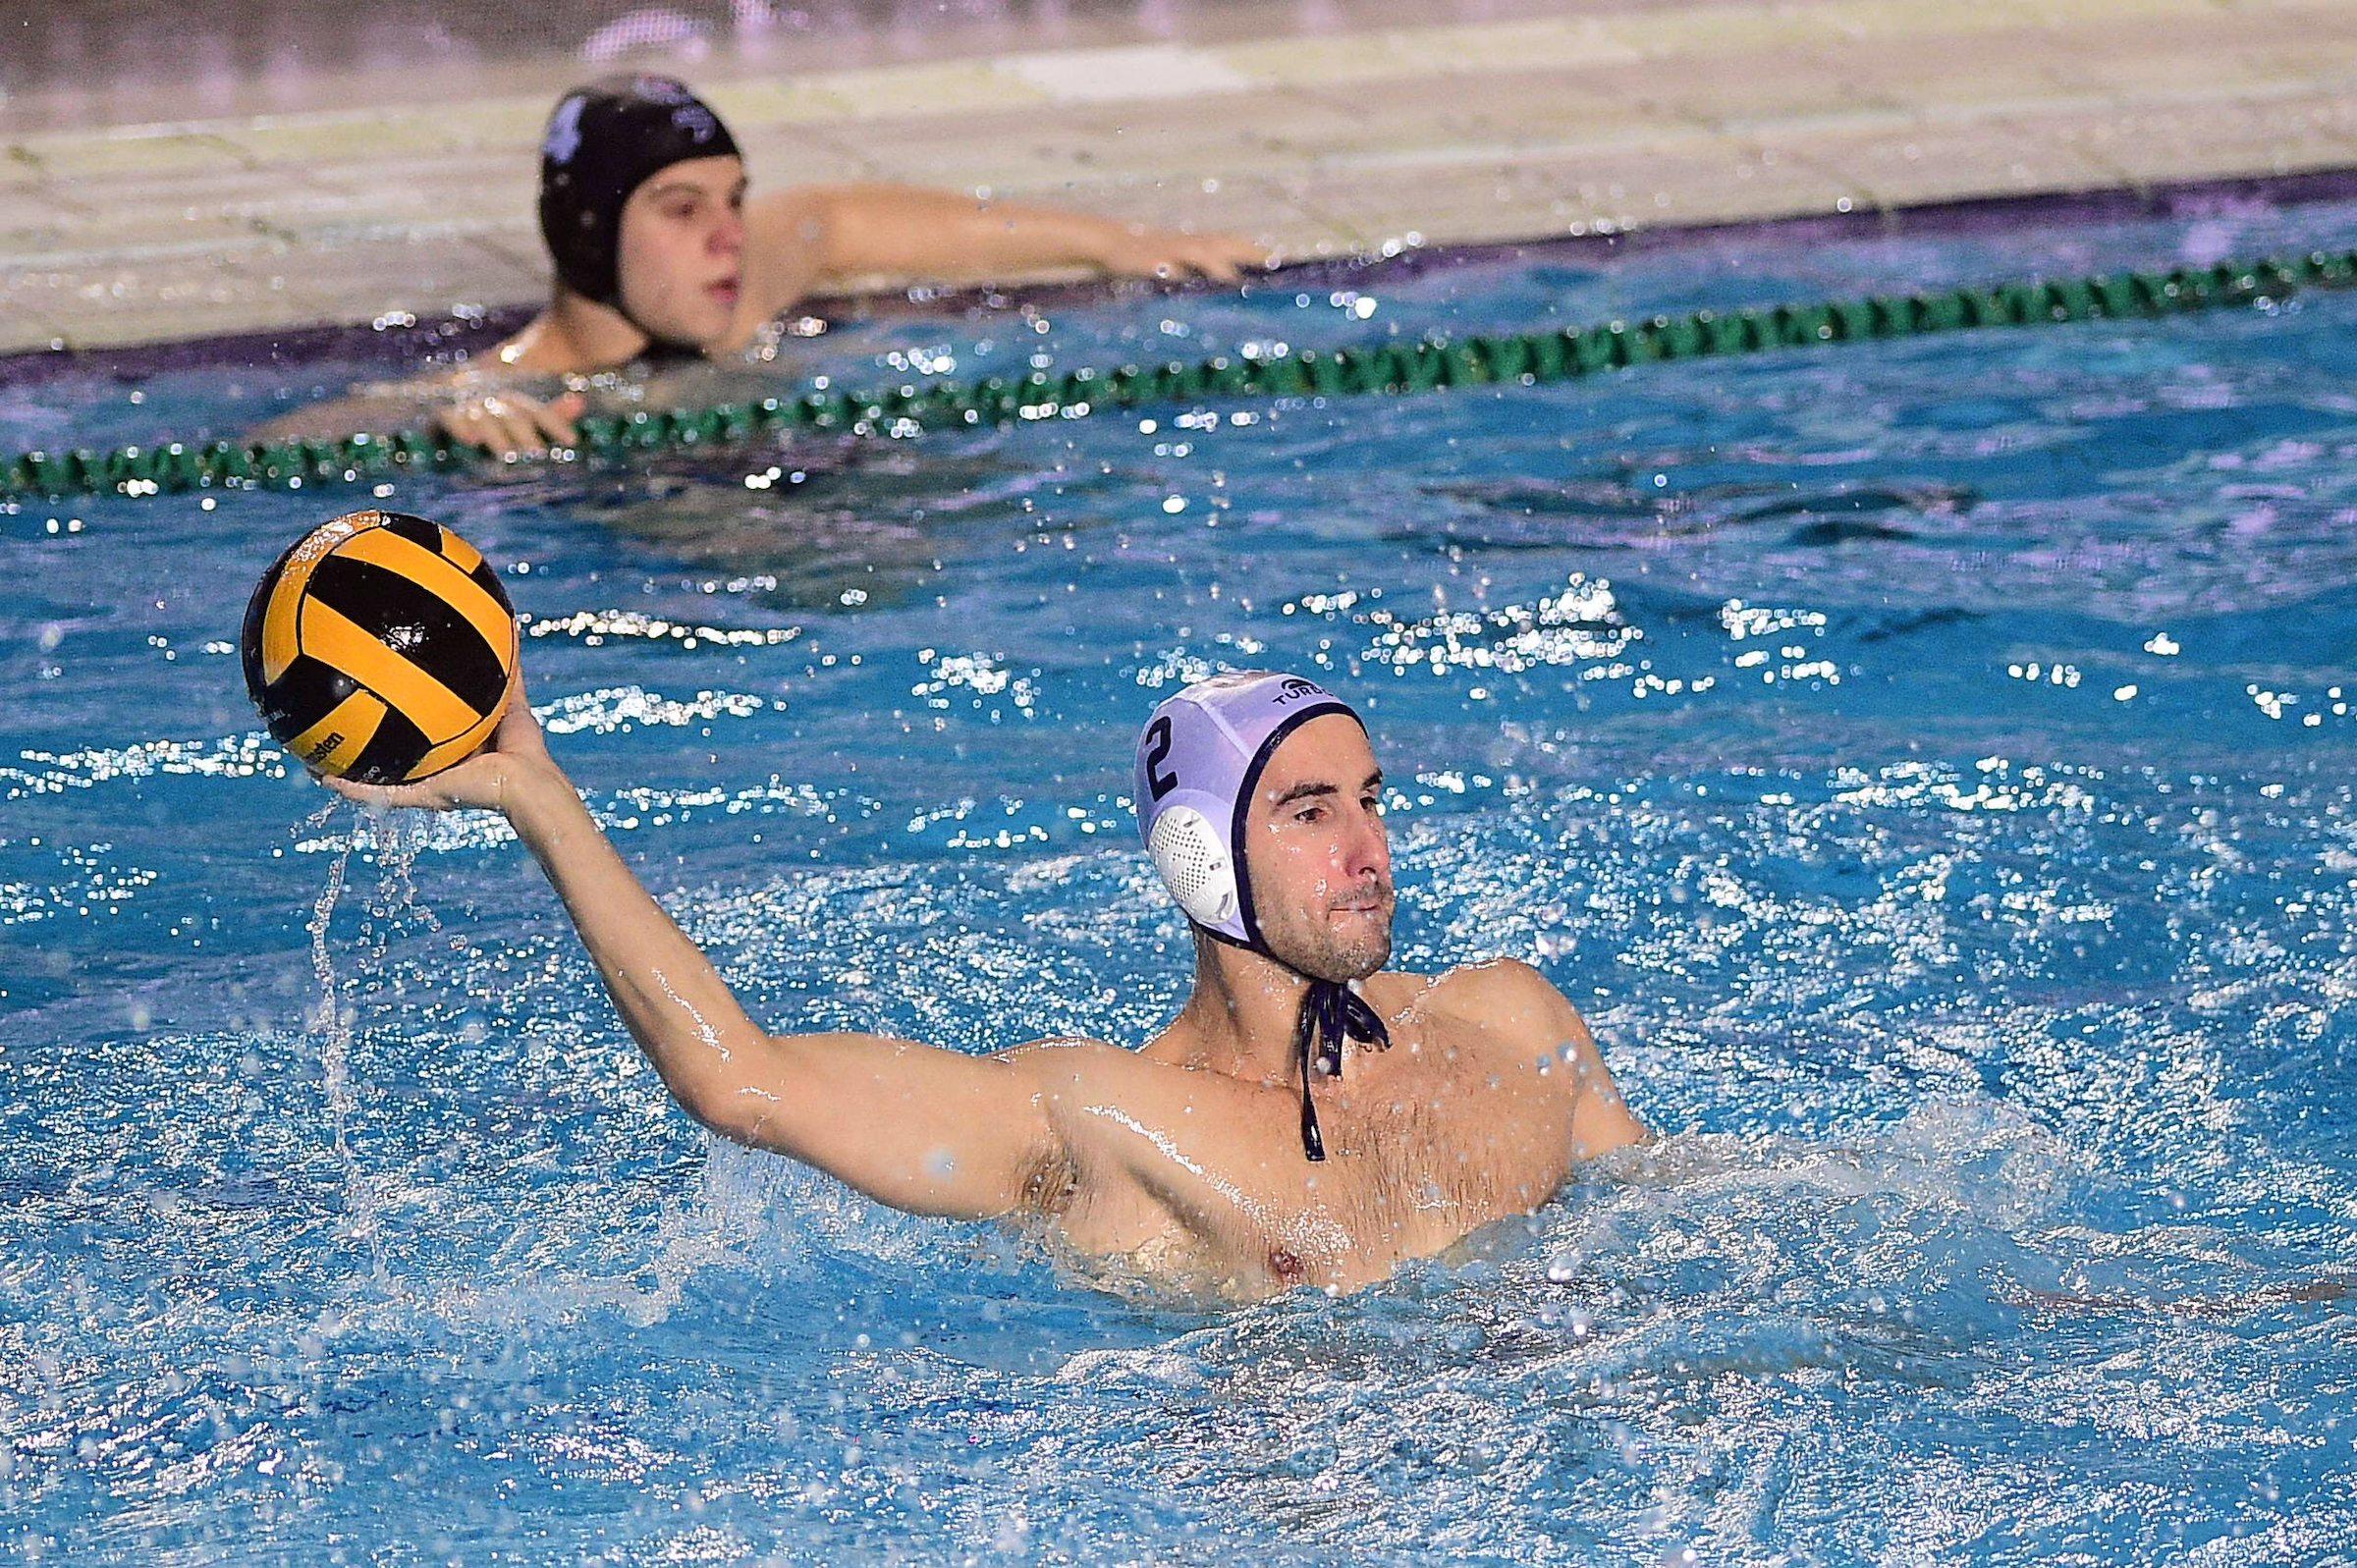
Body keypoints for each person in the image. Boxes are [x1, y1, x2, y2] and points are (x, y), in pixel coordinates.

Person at [326, 668, 1648, 1299]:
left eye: (1370, 800)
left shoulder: (1511, 1023)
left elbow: (1697, 1215)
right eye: (1309, 812)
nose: (1367, 851)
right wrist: (539, 799)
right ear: (1198, 852)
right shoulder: (1099, 1122)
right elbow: (743, 1083)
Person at [263, 74, 1266, 455]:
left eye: (732, 201)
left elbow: (830, 222)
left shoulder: (730, 308)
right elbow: (294, 439)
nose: (729, 237)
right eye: (681, 208)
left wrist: (1114, 243)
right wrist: (452, 414)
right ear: (587, 233)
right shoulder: (512, 389)